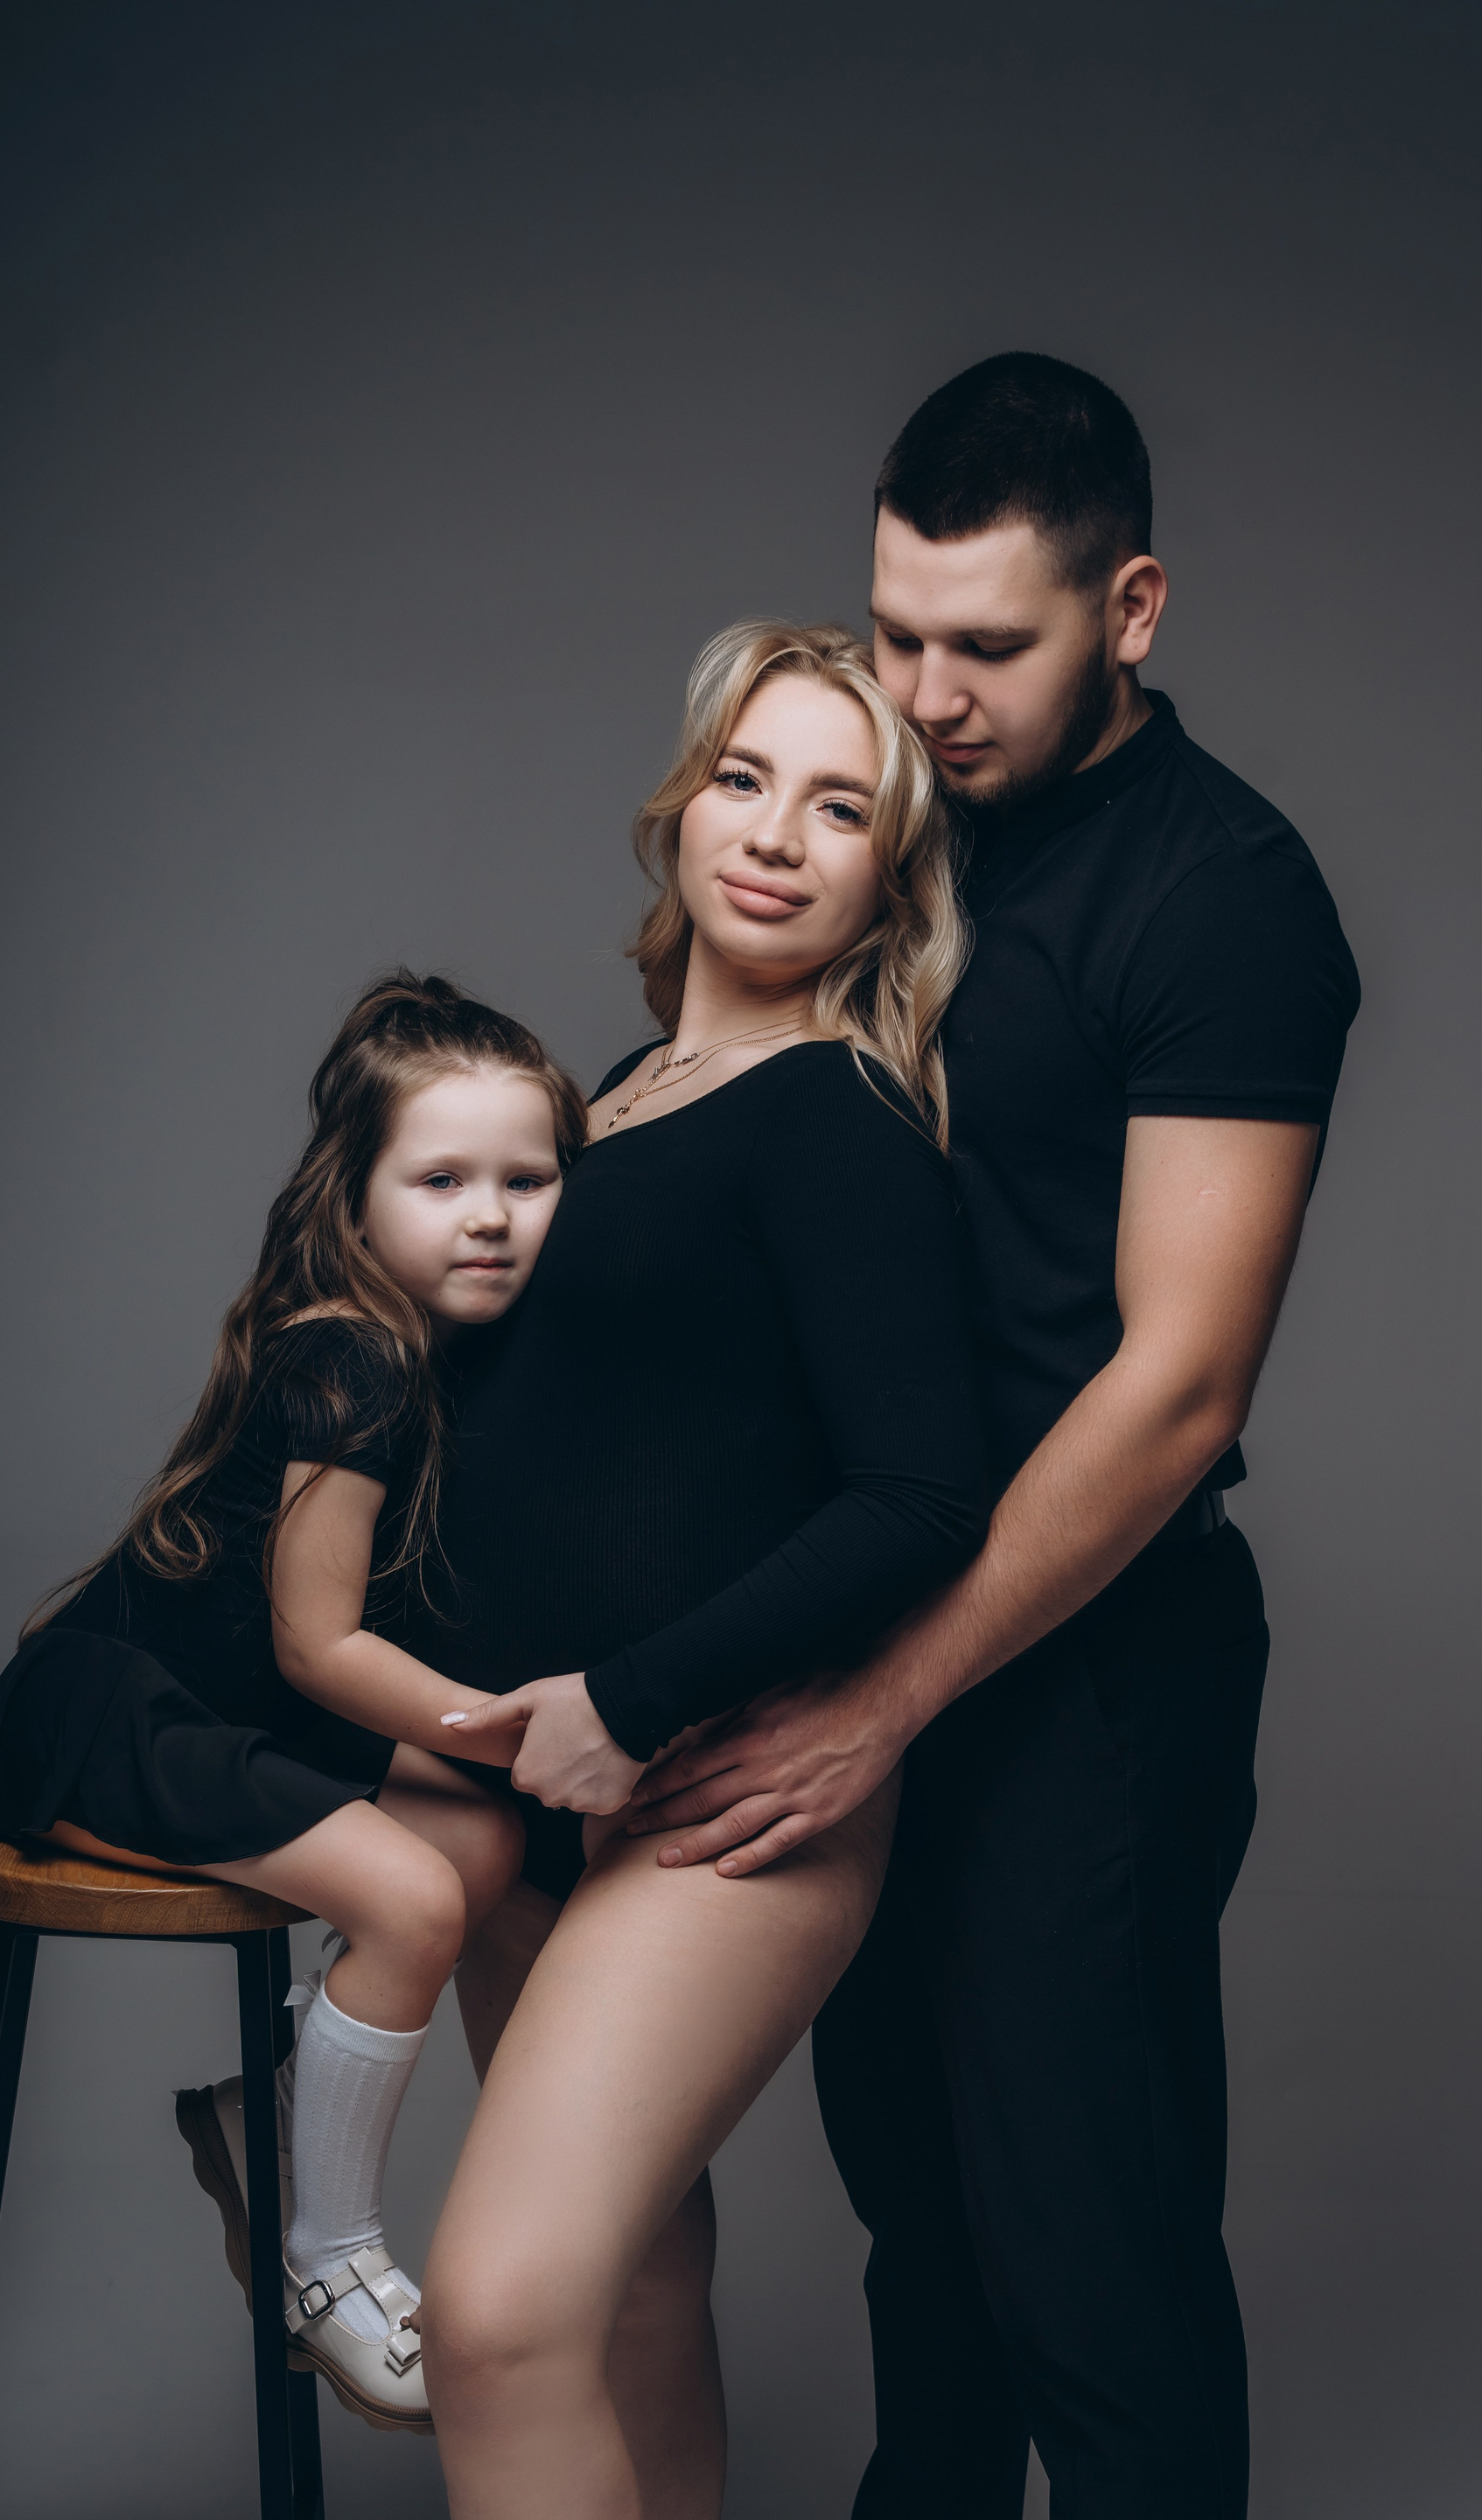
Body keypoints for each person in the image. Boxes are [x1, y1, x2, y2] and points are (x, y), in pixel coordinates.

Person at [626, 356, 1362, 2517]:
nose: (927, 696)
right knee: (925, 2257)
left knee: (1092, 2277)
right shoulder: (878, 819)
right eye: (898, 631)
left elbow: (1182, 1382)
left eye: (989, 646)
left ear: (1131, 609)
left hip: (1082, 1666)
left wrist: (890, 1696)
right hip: (856, 1620)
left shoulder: (1224, 891)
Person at [402, 620, 989, 2520]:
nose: (775, 836)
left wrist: (628, 1701)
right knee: (631, 2290)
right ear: (684, 802)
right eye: (745, 778)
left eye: (841, 807)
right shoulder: (613, 1099)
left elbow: (922, 1498)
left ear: (892, 872)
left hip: (707, 1788)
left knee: (499, 2314)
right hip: (528, 1784)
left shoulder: (842, 1116)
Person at [0, 973, 586, 2433]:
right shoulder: (357, 1354)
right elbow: (321, 1647)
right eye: (442, 1179)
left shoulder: (451, 1350)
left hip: (236, 1720)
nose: (491, 1216)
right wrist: (517, 1729)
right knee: (417, 1894)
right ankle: (328, 2262)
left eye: (528, 1181)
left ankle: (256, 2108)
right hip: (122, 1722)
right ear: (357, 1198)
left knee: (478, 1844)